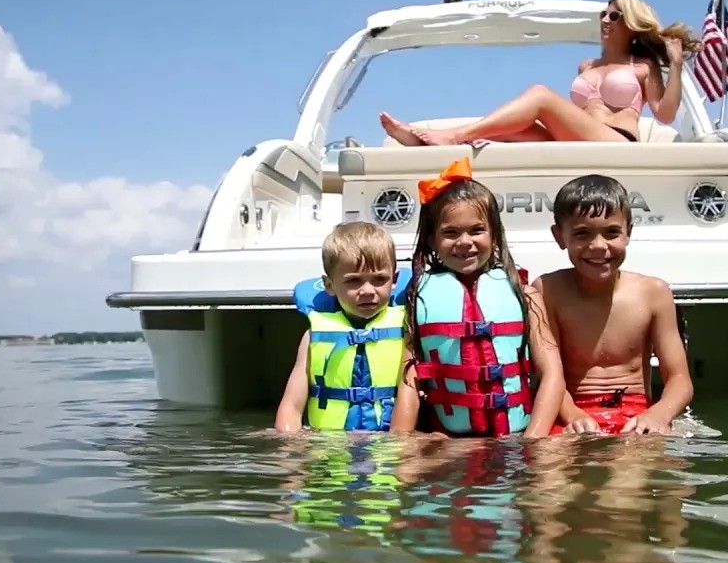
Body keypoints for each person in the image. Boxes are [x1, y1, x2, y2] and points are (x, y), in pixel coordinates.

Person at [377, 0, 701, 147]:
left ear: (631, 24)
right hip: (577, 140)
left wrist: (674, 64)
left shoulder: (641, 66)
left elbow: (665, 114)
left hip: (615, 142)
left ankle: (453, 136)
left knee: (541, 96)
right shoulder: (587, 65)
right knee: (509, 129)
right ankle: (428, 142)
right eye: (604, 14)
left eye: (614, 16)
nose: (605, 20)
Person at [390, 157, 565, 438]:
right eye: (450, 233)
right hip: (448, 440)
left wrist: (533, 442)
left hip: (518, 436)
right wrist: (400, 445)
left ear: (494, 234)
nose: (464, 242)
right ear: (432, 240)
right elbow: (409, 379)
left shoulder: (525, 295)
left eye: (476, 230)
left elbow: (552, 375)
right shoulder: (418, 300)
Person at [534, 174, 695, 435]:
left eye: (612, 233)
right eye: (582, 234)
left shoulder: (654, 293)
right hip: (570, 410)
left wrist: (658, 414)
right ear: (559, 236)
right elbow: (548, 375)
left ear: (628, 232)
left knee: (631, 471)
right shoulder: (548, 290)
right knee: (552, 473)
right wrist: (574, 415)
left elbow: (680, 380)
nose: (598, 246)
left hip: (637, 412)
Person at [274, 221, 408, 432]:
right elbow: (291, 406)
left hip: (389, 442)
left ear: (395, 280)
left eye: (379, 279)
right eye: (354, 281)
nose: (367, 290)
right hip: (331, 444)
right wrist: (289, 445)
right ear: (329, 285)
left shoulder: (406, 329)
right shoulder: (313, 336)